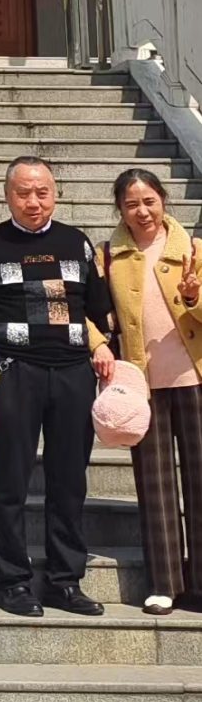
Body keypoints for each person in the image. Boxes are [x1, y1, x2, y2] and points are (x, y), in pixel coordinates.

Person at [0, 157, 116, 617]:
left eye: (42, 192)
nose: (34, 202)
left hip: (72, 373)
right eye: (24, 193)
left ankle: (64, 582)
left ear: (56, 193)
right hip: (14, 371)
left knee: (69, 480)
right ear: (8, 196)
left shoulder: (77, 243)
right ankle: (12, 582)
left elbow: (100, 310)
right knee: (10, 480)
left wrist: (104, 348)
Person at [97, 168, 202, 615]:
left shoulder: (194, 250)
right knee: (154, 486)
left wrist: (194, 297)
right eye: (131, 204)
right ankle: (164, 583)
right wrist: (99, 346)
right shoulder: (106, 257)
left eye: (149, 201)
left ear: (163, 200)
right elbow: (90, 313)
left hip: (195, 378)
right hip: (141, 386)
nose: (142, 211)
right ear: (120, 209)